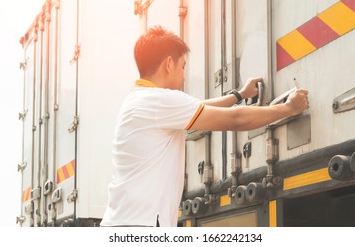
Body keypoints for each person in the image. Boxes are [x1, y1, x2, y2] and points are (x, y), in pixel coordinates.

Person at [100, 26, 309, 227]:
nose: (183, 76)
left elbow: (200, 107)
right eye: (182, 67)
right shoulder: (159, 101)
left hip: (126, 222)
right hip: (140, 226)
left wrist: (239, 95)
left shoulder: (139, 99)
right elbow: (236, 120)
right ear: (168, 64)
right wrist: (288, 108)